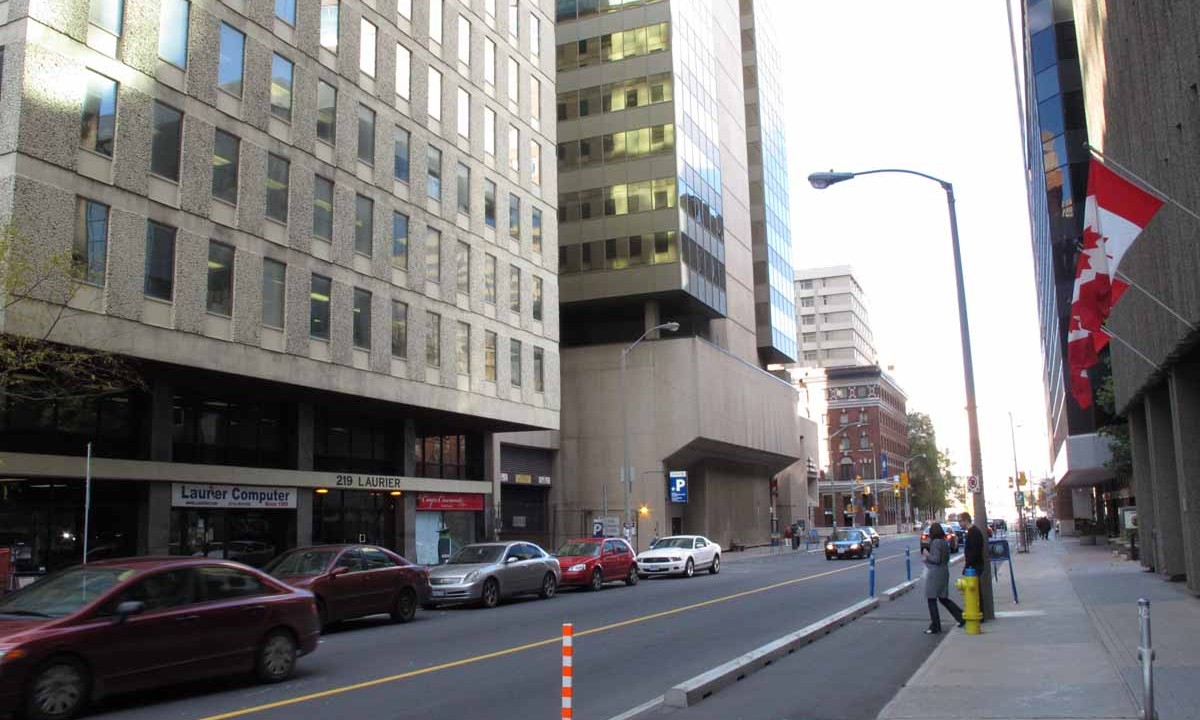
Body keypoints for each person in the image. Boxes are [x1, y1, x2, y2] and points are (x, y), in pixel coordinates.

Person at [922, 522, 965, 634]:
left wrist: (927, 555)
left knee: (931, 599)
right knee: (943, 598)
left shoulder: (935, 542)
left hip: (935, 573)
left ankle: (935, 625)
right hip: (943, 571)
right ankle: (961, 616)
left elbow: (936, 559)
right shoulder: (944, 541)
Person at [960, 511, 986, 577]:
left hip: (974, 566)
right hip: (975, 565)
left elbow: (974, 551)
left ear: (966, 520)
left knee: (973, 586)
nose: (959, 524)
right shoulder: (972, 531)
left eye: (960, 521)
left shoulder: (973, 532)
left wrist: (967, 566)